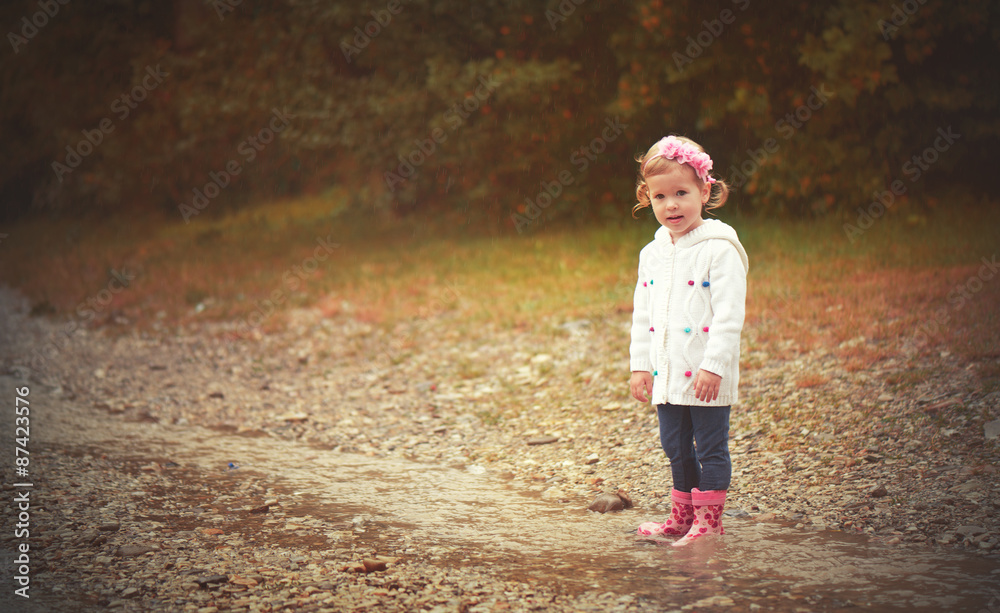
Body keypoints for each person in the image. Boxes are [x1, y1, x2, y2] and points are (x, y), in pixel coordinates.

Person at [628, 135, 749, 547]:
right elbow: (643, 314)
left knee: (709, 447)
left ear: (705, 190)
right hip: (666, 371)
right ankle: (682, 516)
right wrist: (640, 366)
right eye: (661, 197)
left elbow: (730, 315)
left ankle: (709, 523)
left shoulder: (720, 249)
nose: (672, 205)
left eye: (682, 193)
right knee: (675, 445)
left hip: (705, 373)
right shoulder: (653, 253)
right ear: (648, 198)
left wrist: (714, 365)